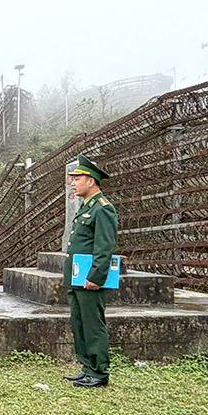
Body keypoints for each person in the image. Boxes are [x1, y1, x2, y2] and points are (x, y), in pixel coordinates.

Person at [63, 154, 118, 388]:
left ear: (91, 180)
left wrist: (95, 277)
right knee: (80, 323)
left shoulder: (103, 209)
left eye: (77, 179)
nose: (73, 183)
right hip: (77, 278)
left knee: (93, 324)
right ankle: (87, 368)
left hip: (89, 279)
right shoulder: (87, 206)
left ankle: (99, 372)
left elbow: (104, 247)